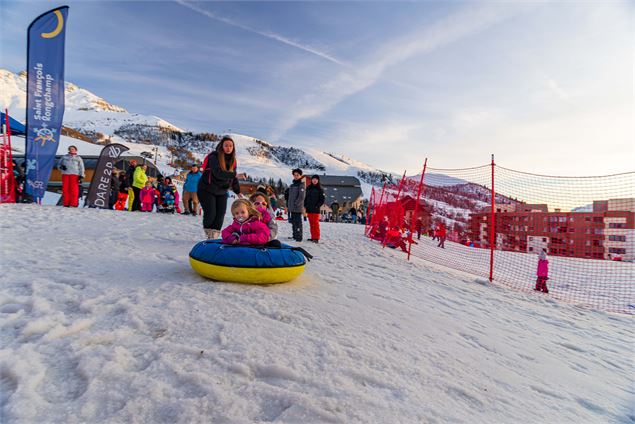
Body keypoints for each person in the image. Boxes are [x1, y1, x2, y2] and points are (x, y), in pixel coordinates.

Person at [198, 135, 241, 239]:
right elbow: (218, 173)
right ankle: (209, 234)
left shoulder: (233, 161)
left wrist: (237, 191)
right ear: (222, 146)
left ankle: (214, 236)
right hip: (206, 189)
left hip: (221, 191)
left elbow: (233, 178)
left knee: (220, 214)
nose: (228, 148)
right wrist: (233, 175)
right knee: (211, 213)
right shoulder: (214, 157)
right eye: (226, 145)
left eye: (231, 146)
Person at [304, 175, 325, 243]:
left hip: (316, 209)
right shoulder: (308, 188)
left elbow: (322, 200)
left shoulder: (320, 189)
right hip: (309, 208)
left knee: (315, 224)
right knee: (311, 224)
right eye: (313, 179)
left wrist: (317, 206)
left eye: (316, 179)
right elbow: (306, 197)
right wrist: (305, 205)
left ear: (318, 180)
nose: (314, 180)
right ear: (311, 180)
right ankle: (313, 237)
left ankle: (316, 237)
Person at [287, 168, 306, 242]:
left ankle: (298, 237)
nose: (296, 176)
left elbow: (302, 196)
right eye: (294, 175)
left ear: (300, 176)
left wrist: (296, 204)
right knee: (293, 222)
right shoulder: (293, 185)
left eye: (297, 175)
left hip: (297, 208)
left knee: (298, 223)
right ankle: (294, 236)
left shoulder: (301, 185)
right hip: (292, 207)